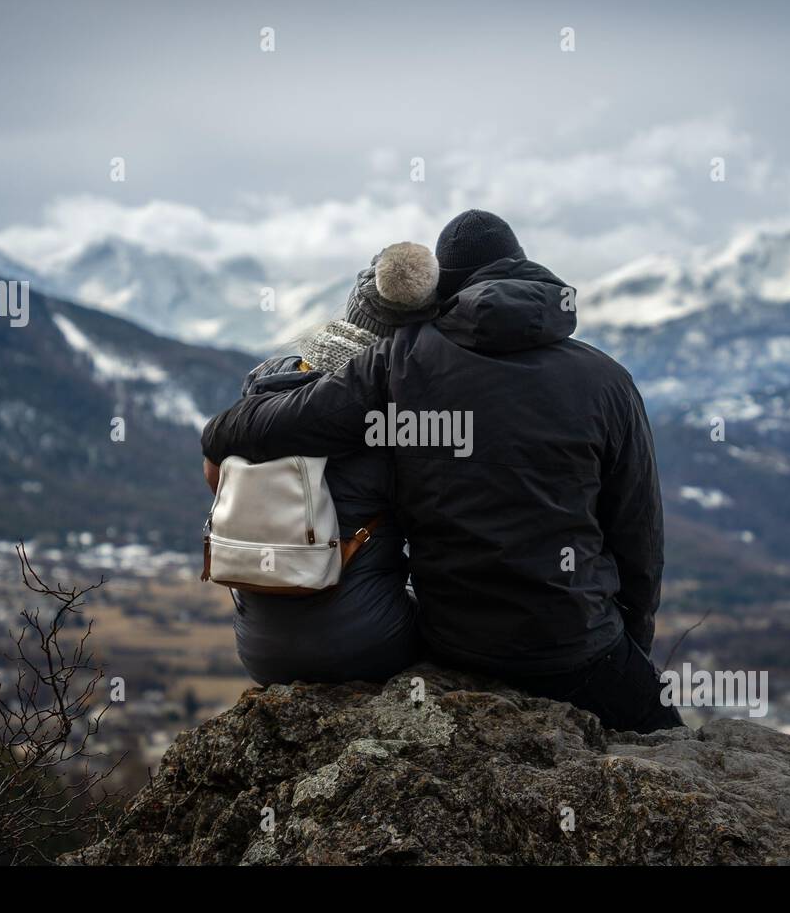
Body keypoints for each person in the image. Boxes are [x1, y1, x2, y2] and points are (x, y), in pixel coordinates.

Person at [203, 210, 680, 731]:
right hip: (577, 647)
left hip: (457, 645)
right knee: (669, 748)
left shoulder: (399, 361)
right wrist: (630, 645)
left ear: (440, 291)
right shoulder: (606, 379)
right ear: (528, 271)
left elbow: (268, 426)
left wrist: (220, 431)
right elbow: (639, 537)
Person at [205, 242, 441, 685]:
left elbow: (216, 479)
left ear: (352, 309)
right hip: (370, 647)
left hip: (259, 648)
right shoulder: (398, 412)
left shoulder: (267, 382)